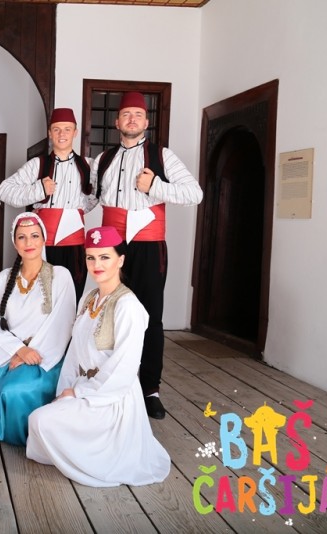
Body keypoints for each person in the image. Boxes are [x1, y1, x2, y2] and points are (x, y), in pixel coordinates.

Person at [26, 226, 171, 486]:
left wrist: (80, 393)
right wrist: (66, 391)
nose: (96, 265)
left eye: (105, 257)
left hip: (111, 397)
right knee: (38, 421)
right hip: (82, 387)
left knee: (40, 420)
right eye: (91, 257)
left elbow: (124, 369)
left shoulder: (128, 306)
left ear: (121, 260)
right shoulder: (89, 298)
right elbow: (73, 355)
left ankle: (99, 451)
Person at [93, 92, 203, 419]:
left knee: (149, 317)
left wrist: (155, 186)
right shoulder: (103, 160)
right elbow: (90, 198)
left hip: (149, 244)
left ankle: (149, 389)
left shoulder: (162, 156)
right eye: (126, 114)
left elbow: (194, 193)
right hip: (111, 246)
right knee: (109, 312)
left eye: (137, 114)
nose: (131, 119)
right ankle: (111, 381)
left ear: (146, 121)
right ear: (117, 122)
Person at [0, 212, 76, 446]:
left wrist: (30, 353)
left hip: (44, 358)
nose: (28, 242)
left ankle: (34, 437)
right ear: (14, 242)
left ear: (44, 239)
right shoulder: (4, 279)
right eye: (21, 237)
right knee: (5, 390)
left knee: (15, 390)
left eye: (34, 235)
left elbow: (62, 324)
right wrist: (19, 351)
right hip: (10, 356)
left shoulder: (60, 276)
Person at [0, 108, 97, 298]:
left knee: (71, 295)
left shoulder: (89, 165)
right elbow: (4, 191)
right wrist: (39, 190)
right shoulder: (37, 165)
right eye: (56, 129)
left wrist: (74, 213)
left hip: (75, 244)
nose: (62, 134)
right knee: (40, 295)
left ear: (75, 132)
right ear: (49, 133)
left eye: (67, 129)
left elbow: (97, 195)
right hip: (42, 242)